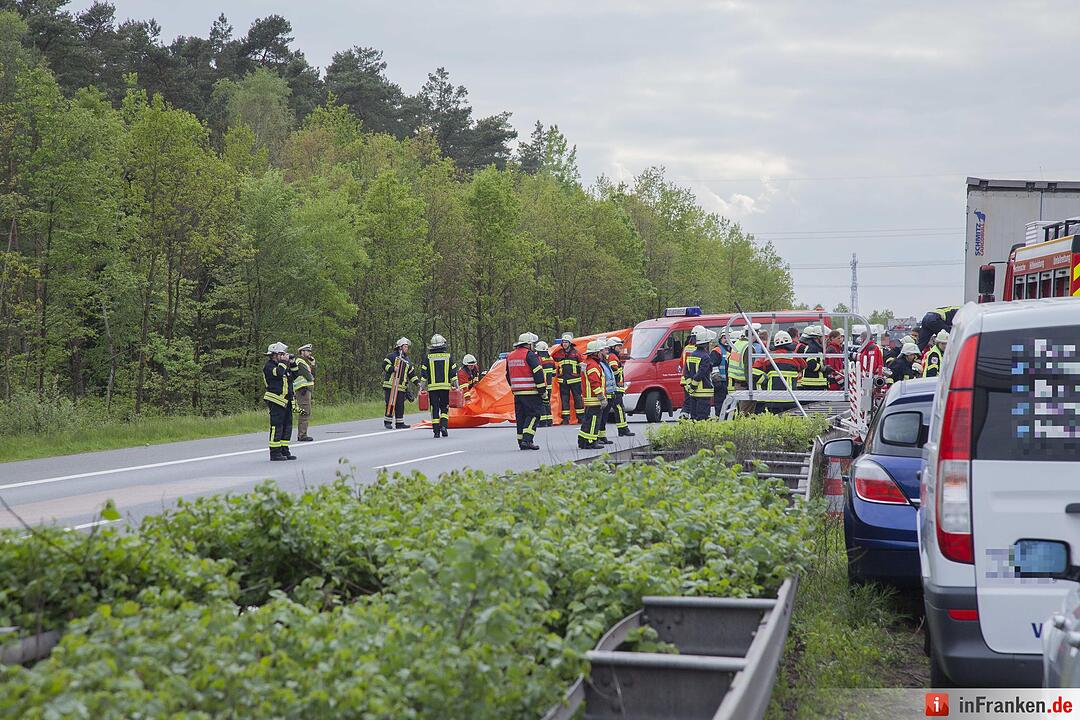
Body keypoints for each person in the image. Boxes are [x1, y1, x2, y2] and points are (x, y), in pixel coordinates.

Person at [506, 332, 546, 450]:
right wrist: (542, 390)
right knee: (534, 415)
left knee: (521, 417)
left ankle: (521, 441)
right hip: (531, 391)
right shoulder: (530, 355)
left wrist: (513, 387)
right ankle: (527, 440)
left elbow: (508, 375)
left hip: (517, 392)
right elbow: (538, 372)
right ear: (528, 344)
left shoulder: (510, 356)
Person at [752, 330, 806, 413]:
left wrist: (764, 381)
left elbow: (754, 371)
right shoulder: (795, 358)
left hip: (772, 400)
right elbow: (804, 366)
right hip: (791, 399)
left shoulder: (768, 358)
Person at [262, 342, 297, 461]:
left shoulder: (283, 366)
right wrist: (283, 362)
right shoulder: (269, 366)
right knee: (276, 427)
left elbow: (294, 376)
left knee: (287, 426)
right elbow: (278, 373)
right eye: (281, 354)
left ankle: (284, 449)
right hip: (275, 400)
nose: (284, 356)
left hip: (285, 401)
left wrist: (292, 363)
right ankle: (274, 452)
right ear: (274, 355)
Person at [421, 334, 457, 439]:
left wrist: (421, 388)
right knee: (444, 408)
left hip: (433, 389)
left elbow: (424, 375)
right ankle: (444, 427)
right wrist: (456, 387)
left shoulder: (427, 358)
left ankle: (436, 431)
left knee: (434, 408)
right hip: (445, 388)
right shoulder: (448, 356)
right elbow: (453, 374)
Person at [577, 339, 609, 449]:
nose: (602, 354)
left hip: (589, 398)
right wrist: (601, 398)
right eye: (601, 352)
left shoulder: (588, 363)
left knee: (588, 421)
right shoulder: (593, 365)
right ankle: (591, 441)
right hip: (594, 399)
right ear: (596, 353)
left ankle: (583, 441)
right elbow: (595, 383)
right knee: (594, 420)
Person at [383, 337, 419, 429]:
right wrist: (392, 368)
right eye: (405, 346)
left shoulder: (407, 360)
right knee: (390, 403)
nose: (407, 349)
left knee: (400, 405)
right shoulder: (391, 356)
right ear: (400, 347)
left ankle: (400, 423)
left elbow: (411, 374)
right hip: (390, 385)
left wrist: (417, 383)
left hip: (401, 387)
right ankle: (388, 422)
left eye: (407, 347)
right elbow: (384, 365)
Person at [551, 332, 584, 425]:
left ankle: (580, 418)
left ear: (570, 343)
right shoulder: (558, 353)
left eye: (566, 342)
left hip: (575, 381)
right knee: (564, 400)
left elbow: (582, 364)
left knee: (578, 399)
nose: (564, 344)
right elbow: (552, 359)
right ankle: (566, 419)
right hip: (563, 381)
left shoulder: (576, 353)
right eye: (563, 342)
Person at [606, 337, 635, 437]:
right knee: (619, 408)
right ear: (612, 347)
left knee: (617, 409)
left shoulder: (613, 356)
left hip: (615, 388)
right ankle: (623, 429)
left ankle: (622, 429)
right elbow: (614, 371)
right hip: (616, 388)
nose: (620, 348)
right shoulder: (613, 357)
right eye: (618, 346)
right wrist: (618, 383)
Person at [689, 329, 716, 420]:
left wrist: (691, 386)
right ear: (706, 343)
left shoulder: (692, 355)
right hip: (704, 391)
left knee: (693, 417)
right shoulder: (706, 357)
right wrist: (694, 385)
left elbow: (688, 372)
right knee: (702, 417)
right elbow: (701, 373)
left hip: (694, 392)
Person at [680, 324, 706, 417]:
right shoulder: (698, 349)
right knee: (694, 402)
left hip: (685, 379)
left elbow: (682, 363)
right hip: (695, 381)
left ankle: (683, 416)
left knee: (687, 401)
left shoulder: (686, 348)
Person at [293, 343, 316, 441]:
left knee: (307, 411)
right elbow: (309, 376)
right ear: (302, 352)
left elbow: (312, 375)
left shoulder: (305, 362)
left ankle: (303, 433)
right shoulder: (300, 361)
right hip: (302, 390)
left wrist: (313, 364)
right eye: (308, 351)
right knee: (305, 411)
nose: (310, 353)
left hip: (306, 389)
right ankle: (302, 435)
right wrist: (311, 369)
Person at [796, 325, 829, 391]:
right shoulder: (813, 348)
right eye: (823, 337)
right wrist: (823, 368)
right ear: (817, 337)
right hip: (812, 383)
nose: (825, 339)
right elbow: (811, 364)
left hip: (816, 383)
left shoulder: (816, 347)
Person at [535, 341, 556, 427]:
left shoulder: (538, 359)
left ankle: (543, 421)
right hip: (549, 385)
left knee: (541, 403)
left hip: (542, 385)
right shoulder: (551, 359)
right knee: (547, 403)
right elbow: (554, 373)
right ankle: (549, 421)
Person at [710, 331, 728, 417]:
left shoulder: (732, 350)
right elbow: (713, 366)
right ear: (720, 339)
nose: (727, 340)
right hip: (720, 383)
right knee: (720, 404)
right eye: (725, 338)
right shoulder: (717, 350)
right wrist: (717, 380)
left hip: (730, 383)